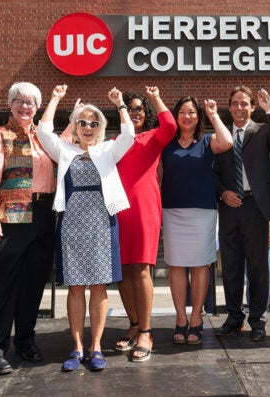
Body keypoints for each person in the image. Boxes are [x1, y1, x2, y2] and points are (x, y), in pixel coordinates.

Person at [36, 84, 135, 372]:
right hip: (71, 223)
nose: (88, 127)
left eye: (94, 123)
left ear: (101, 127)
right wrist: (55, 98)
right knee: (76, 287)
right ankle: (77, 347)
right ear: (75, 126)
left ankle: (96, 347)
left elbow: (128, 135)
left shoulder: (107, 150)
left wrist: (119, 104)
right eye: (83, 122)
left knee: (99, 286)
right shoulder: (64, 150)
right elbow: (44, 132)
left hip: (102, 222)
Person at [0, 82, 57, 375]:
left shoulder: (44, 137)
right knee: (4, 284)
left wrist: (62, 101)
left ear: (37, 107)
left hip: (44, 214)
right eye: (19, 101)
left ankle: (26, 341)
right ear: (10, 104)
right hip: (12, 214)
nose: (24, 106)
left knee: (32, 284)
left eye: (30, 102)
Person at [214, 86, 270, 342]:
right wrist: (222, 192)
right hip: (229, 207)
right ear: (229, 106)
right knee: (232, 266)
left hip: (256, 206)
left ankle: (258, 320)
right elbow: (211, 172)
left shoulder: (263, 130)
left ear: (252, 107)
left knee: (257, 267)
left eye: (245, 103)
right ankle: (234, 317)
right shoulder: (221, 136)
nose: (239, 108)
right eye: (235, 103)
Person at [161, 97, 232, 345]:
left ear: (198, 117)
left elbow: (227, 141)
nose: (187, 116)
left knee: (201, 265)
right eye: (182, 112)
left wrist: (213, 114)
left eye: (192, 112)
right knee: (177, 265)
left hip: (202, 212)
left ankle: (196, 319)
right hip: (172, 212)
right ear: (176, 115)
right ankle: (180, 319)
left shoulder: (206, 141)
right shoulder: (166, 143)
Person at [115, 87, 176, 363]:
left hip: (144, 210)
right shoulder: (116, 140)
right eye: (129, 108)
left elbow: (171, 125)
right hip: (118, 212)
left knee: (140, 269)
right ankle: (134, 324)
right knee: (123, 271)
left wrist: (155, 97)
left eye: (139, 108)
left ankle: (146, 332)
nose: (134, 112)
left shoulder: (154, 137)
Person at [245, 217, 270, 305]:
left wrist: (255, 238)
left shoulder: (269, 213)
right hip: (249, 250)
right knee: (250, 282)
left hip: (267, 249)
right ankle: (251, 308)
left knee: (268, 283)